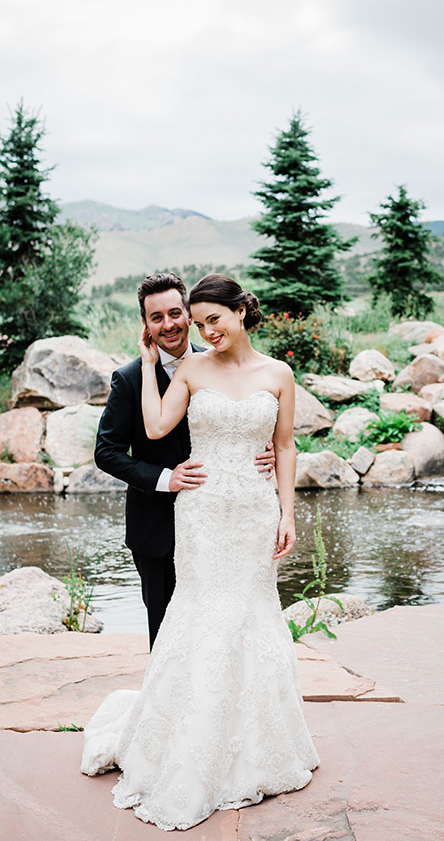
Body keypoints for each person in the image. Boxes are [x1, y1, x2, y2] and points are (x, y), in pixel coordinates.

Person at [81, 274, 319, 830]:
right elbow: (144, 432)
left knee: (252, 622)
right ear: (147, 324)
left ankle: (258, 744)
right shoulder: (169, 371)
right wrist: (144, 370)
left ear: (239, 312)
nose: (196, 327)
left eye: (206, 318)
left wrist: (286, 509)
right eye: (162, 318)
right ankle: (180, 740)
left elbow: (284, 444)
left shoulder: (275, 372)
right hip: (196, 514)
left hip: (252, 512)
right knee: (186, 626)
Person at [94, 272, 275, 648]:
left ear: (188, 315)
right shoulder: (128, 379)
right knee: (167, 638)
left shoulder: (222, 361)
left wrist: (263, 445)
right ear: (145, 324)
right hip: (157, 528)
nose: (168, 324)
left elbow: (254, 414)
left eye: (175, 313)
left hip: (226, 523)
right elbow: (106, 452)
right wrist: (165, 478)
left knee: (226, 628)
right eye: (156, 317)